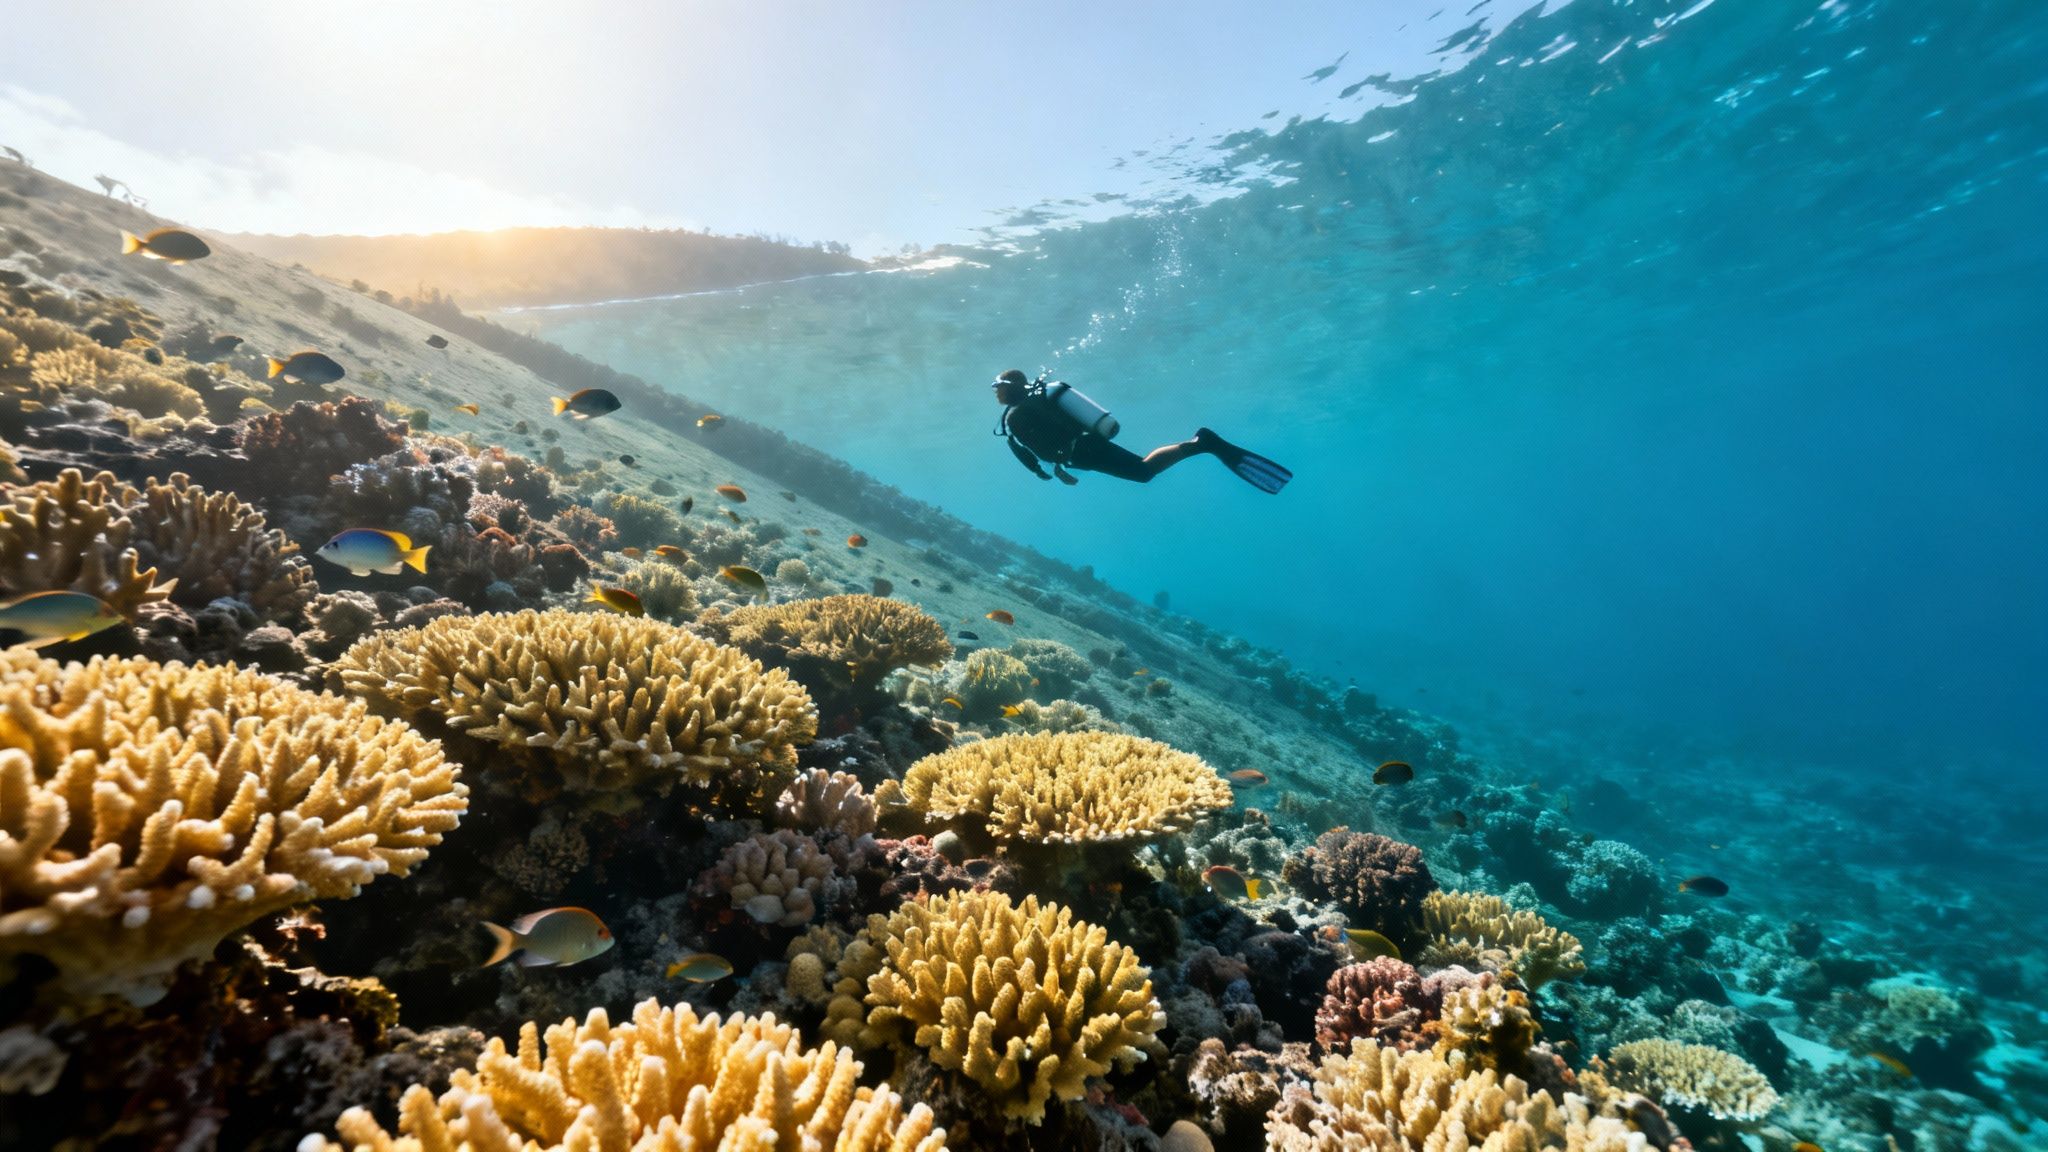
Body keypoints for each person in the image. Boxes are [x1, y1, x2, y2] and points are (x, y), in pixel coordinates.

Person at [990, 369, 1291, 492]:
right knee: (1143, 471)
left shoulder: (1017, 414)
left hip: (1084, 451)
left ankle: (1201, 443)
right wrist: (1056, 465)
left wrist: (1044, 469)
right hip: (1085, 449)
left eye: (999, 387)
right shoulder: (1034, 403)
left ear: (1012, 386)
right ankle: (1200, 444)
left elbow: (1030, 446)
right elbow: (1050, 436)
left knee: (1144, 471)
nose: (996, 393)